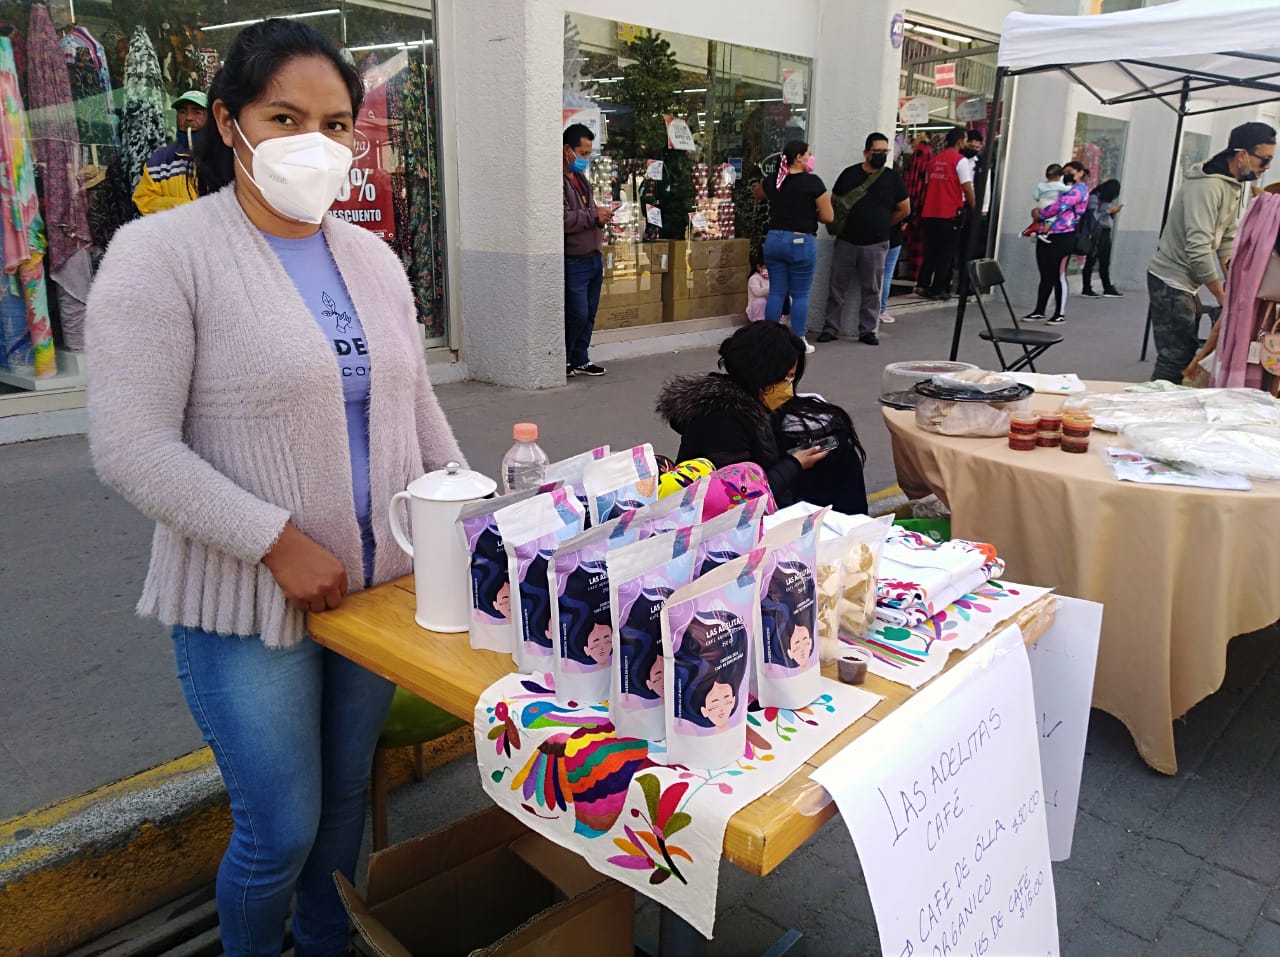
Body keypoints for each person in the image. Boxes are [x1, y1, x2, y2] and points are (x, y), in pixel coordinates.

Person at [85, 20, 465, 956]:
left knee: (342, 806)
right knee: (278, 830)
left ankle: (327, 945)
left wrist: (472, 523)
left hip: (375, 597)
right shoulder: (159, 253)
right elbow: (131, 445)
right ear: (228, 121)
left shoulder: (373, 259)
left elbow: (416, 413)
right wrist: (274, 541)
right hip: (248, 604)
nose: (317, 142)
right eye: (285, 115)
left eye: (336, 122)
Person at [657, 322, 873, 512]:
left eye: (792, 378)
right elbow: (738, 495)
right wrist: (795, 463)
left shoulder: (749, 401)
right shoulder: (722, 421)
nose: (788, 388)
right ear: (762, 374)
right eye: (786, 378)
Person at [1148, 122, 1275, 382]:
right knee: (1175, 357)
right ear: (1242, 155)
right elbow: (1199, 247)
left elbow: (1227, 238)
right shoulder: (1207, 186)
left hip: (1186, 281)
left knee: (1183, 353)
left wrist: (1235, 281)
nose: (1267, 168)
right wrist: (1221, 295)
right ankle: (1148, 411)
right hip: (1171, 279)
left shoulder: (1234, 183)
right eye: (1264, 161)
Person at [816, 132, 909, 347]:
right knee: (837, 287)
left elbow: (905, 209)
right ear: (866, 153)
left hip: (876, 242)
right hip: (847, 240)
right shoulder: (849, 174)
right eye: (877, 152)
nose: (881, 155)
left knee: (872, 289)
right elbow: (835, 201)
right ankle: (830, 328)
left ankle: (868, 330)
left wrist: (884, 223)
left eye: (885, 152)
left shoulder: (892, 177)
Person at [752, 140, 835, 352]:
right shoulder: (813, 183)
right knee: (800, 294)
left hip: (774, 240)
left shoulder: (774, 180)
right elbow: (828, 216)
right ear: (799, 157)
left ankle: (768, 339)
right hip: (800, 241)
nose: (811, 157)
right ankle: (798, 339)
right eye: (809, 153)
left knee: (777, 291)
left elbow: (757, 193)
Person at [563, 122, 611, 377]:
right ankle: (565, 359)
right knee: (577, 314)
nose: (585, 159)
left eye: (588, 153)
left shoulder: (581, 180)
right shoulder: (558, 182)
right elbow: (562, 219)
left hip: (593, 256)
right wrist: (594, 216)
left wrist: (600, 216)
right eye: (582, 153)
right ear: (566, 150)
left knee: (590, 313)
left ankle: (581, 358)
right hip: (574, 260)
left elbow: (585, 212)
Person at [1025, 160, 1089, 324]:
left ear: (1080, 172)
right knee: (1045, 274)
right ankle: (1039, 310)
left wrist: (1042, 214)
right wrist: (1037, 211)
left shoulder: (1079, 190)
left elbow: (1062, 205)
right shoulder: (1060, 188)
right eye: (1065, 172)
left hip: (1063, 235)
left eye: (1071, 171)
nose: (1067, 175)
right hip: (1046, 233)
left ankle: (1059, 313)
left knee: (1058, 275)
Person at [916, 128, 975, 300]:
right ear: (959, 142)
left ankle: (923, 283)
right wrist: (974, 207)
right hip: (949, 212)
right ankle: (938, 288)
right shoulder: (960, 161)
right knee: (946, 253)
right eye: (965, 139)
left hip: (930, 211)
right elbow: (967, 187)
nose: (966, 143)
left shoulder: (934, 161)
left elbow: (928, 185)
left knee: (931, 251)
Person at [132, 90, 208, 215]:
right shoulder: (160, 159)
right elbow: (143, 200)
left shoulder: (221, 154)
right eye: (182, 112)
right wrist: (183, 207)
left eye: (197, 112)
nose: (189, 117)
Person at [1082, 179, 1124, 298]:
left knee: (1105, 261)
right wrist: (1109, 211)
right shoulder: (1095, 197)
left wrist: (1112, 213)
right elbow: (1093, 216)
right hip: (1096, 232)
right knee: (1091, 259)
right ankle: (1086, 288)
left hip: (1105, 231)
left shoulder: (1106, 200)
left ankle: (1107, 287)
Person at [1022, 164, 1069, 242]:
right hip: (1051, 204)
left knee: (1039, 219)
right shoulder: (1059, 185)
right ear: (1059, 176)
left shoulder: (1041, 185)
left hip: (1041, 203)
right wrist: (1073, 186)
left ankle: (1035, 231)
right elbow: (1067, 189)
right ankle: (1044, 234)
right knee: (1050, 219)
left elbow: (1035, 196)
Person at [746, 249, 769, 322]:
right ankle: (759, 323)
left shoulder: (772, 277)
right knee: (760, 301)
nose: (768, 270)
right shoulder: (754, 278)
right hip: (756, 311)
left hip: (769, 308)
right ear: (759, 267)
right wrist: (773, 289)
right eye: (765, 268)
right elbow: (757, 292)